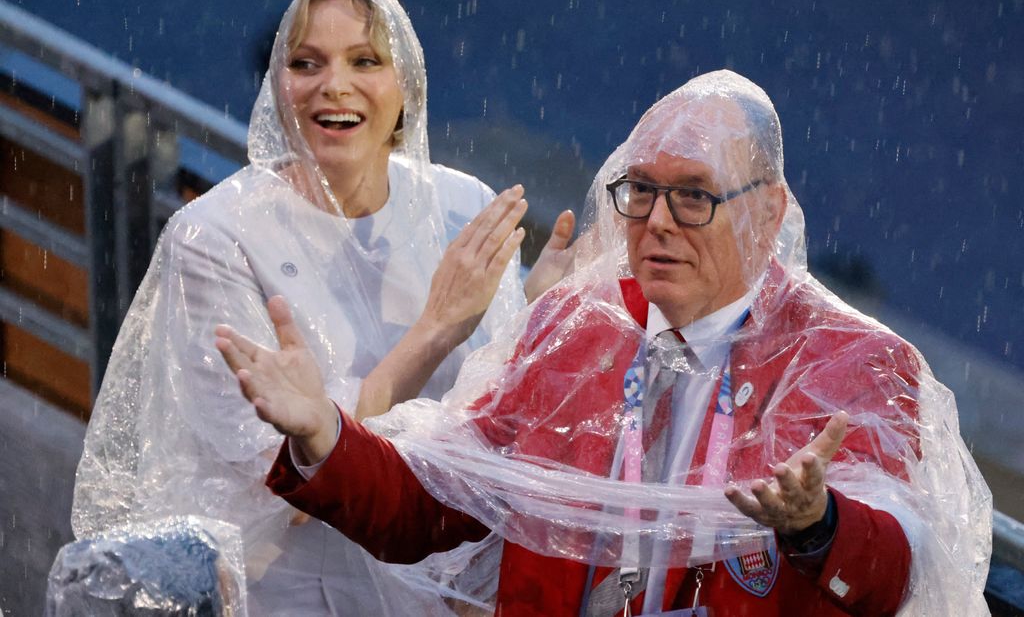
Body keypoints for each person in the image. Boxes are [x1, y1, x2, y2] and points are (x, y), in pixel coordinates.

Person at [217, 70, 991, 615]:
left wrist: (819, 526)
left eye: (692, 195)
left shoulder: (850, 362)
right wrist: (324, 430)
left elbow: (894, 581)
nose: (655, 221)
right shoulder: (575, 327)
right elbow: (436, 502)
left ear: (768, 209)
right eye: (641, 190)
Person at [72, 0, 574, 615]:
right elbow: (284, 484)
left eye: (364, 61)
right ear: (277, 90)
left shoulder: (461, 207)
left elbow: (486, 429)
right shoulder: (215, 238)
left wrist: (538, 320)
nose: (334, 84)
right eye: (306, 63)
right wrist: (434, 331)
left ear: (406, 88)